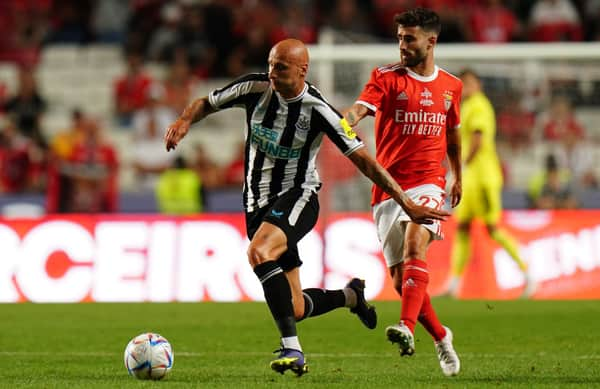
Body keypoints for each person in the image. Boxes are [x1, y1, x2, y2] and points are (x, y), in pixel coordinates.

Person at [164, 38, 449, 377]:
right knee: (295, 306)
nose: (272, 72)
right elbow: (205, 103)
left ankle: (292, 350)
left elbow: (364, 161)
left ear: (302, 70)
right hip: (256, 202)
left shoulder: (318, 110)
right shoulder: (253, 88)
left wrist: (406, 202)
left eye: (281, 67)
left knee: (259, 252)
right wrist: (184, 121)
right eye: (270, 64)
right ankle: (350, 296)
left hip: (299, 196)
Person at [342, 8, 461, 377]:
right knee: (399, 279)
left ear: (431, 41)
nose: (402, 45)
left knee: (415, 246)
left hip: (429, 182)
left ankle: (406, 328)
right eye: (399, 38)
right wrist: (345, 122)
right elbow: (361, 108)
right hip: (388, 189)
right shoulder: (386, 77)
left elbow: (453, 131)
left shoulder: (450, 86)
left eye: (409, 38)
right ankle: (442, 338)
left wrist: (457, 174)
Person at [442, 69, 535, 299]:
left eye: (470, 82)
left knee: (493, 229)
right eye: (463, 84)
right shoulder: (464, 107)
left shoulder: (480, 105)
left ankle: (529, 274)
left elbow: (477, 140)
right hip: (470, 179)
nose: (467, 87)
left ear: (479, 84)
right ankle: (454, 284)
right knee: (462, 228)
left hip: (483, 177)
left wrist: (458, 170)